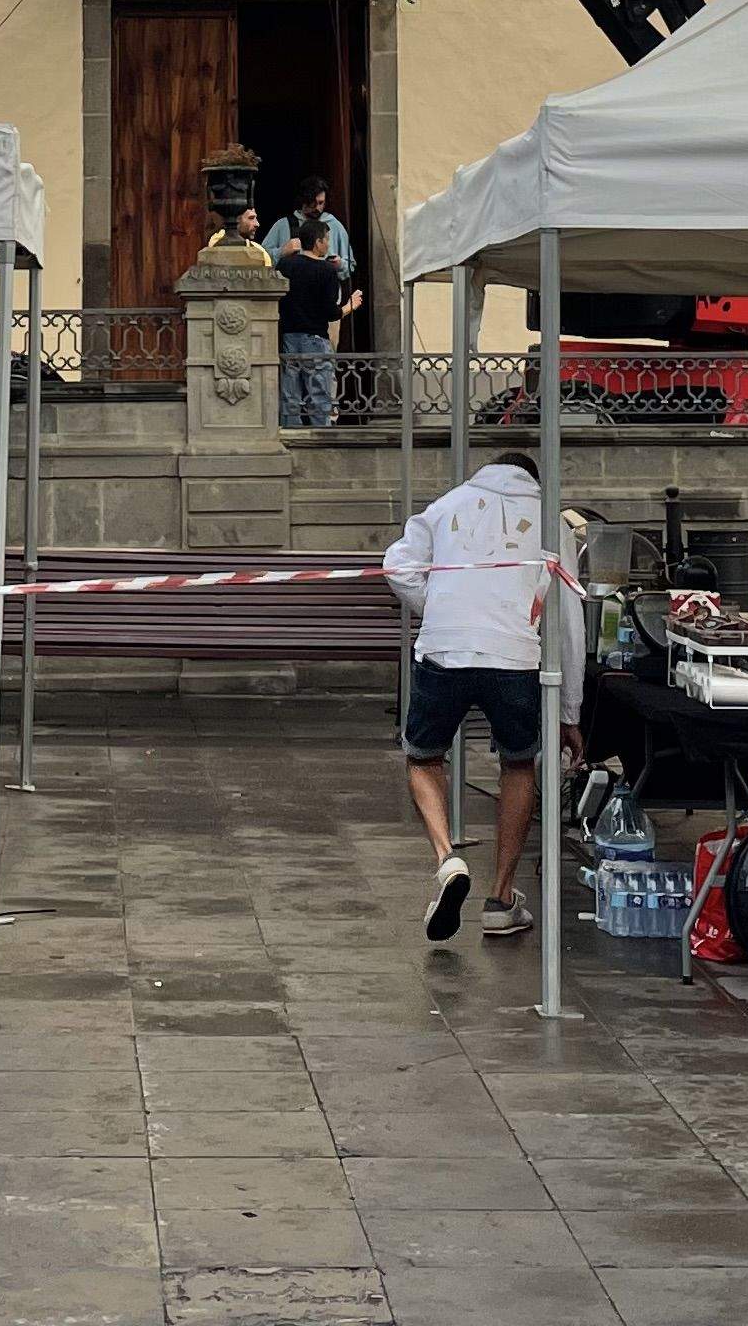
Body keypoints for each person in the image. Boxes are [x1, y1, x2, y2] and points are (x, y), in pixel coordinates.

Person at [385, 444, 575, 945]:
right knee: (518, 763)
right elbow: (570, 624)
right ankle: (501, 898)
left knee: (423, 756)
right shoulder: (553, 522)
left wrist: (441, 604)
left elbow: (396, 566)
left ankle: (448, 857)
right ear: (534, 480)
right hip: (513, 656)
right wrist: (570, 709)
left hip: (445, 649)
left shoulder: (445, 506)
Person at [265, 177, 359, 431]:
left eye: (321, 203)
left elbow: (349, 265)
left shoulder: (334, 226)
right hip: (305, 313)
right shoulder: (284, 225)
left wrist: (339, 265)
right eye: (313, 203)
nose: (318, 208)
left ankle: (320, 421)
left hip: (317, 311)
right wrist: (281, 252)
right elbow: (261, 259)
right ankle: (317, 428)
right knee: (314, 374)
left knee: (316, 374)